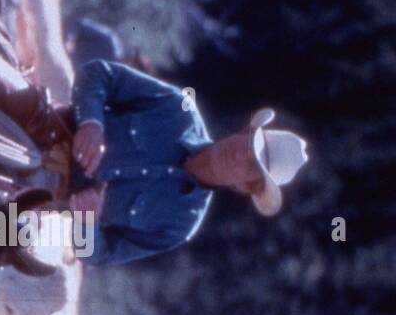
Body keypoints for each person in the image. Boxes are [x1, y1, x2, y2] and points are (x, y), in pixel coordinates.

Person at [65, 60, 308, 265]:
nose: (237, 155)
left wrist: (86, 223)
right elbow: (97, 73)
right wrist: (91, 124)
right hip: (50, 133)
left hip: (48, 211)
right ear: (242, 132)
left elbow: (96, 256)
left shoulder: (179, 225)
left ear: (245, 186)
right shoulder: (177, 109)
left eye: (250, 166)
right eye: (247, 145)